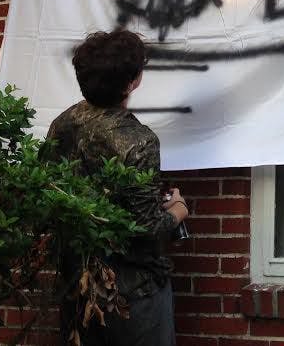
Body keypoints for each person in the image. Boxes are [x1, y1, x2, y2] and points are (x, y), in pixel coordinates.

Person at [46, 29, 189, 346]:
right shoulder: (138, 141)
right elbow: (145, 227)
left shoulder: (63, 124)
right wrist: (178, 211)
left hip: (76, 283)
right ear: (133, 80)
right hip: (130, 294)